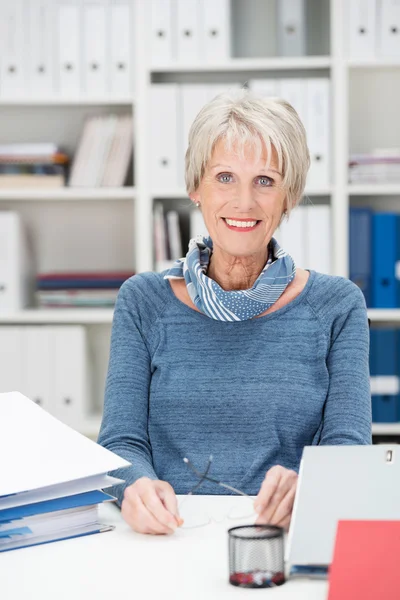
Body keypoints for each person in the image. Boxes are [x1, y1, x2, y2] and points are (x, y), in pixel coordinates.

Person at [98, 89, 371, 536]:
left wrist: (311, 488)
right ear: (195, 188)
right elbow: (120, 443)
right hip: (167, 538)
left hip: (281, 539)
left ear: (289, 195)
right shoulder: (143, 300)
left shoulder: (337, 305)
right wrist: (136, 488)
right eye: (225, 177)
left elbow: (349, 445)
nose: (244, 202)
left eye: (265, 180)